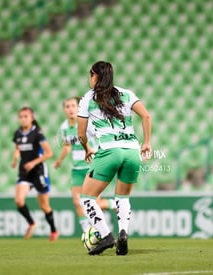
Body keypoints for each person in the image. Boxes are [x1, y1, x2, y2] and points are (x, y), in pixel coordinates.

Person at [78, 61, 151, 255]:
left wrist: (86, 148)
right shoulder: (126, 94)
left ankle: (105, 235)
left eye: (90, 74)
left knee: (86, 198)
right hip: (132, 150)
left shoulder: (88, 98)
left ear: (95, 76)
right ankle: (123, 233)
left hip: (110, 150)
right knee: (123, 196)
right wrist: (147, 143)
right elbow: (146, 116)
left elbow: (81, 134)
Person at [54, 97, 116, 232]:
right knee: (77, 202)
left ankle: (114, 203)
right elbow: (67, 146)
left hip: (91, 166)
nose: (70, 109)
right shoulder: (64, 127)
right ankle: (87, 232)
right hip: (77, 169)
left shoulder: (86, 123)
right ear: (64, 110)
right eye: (67, 106)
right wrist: (59, 160)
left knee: (94, 202)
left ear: (78, 108)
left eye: (73, 106)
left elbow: (102, 137)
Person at [11, 106, 59, 241]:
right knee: (19, 200)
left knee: (44, 205)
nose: (23, 119)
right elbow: (17, 149)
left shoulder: (38, 134)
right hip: (25, 171)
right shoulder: (18, 133)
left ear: (32, 118)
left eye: (26, 116)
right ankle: (32, 223)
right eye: (20, 116)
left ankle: (54, 230)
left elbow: (49, 153)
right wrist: (15, 158)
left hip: (38, 171)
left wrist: (33, 163)